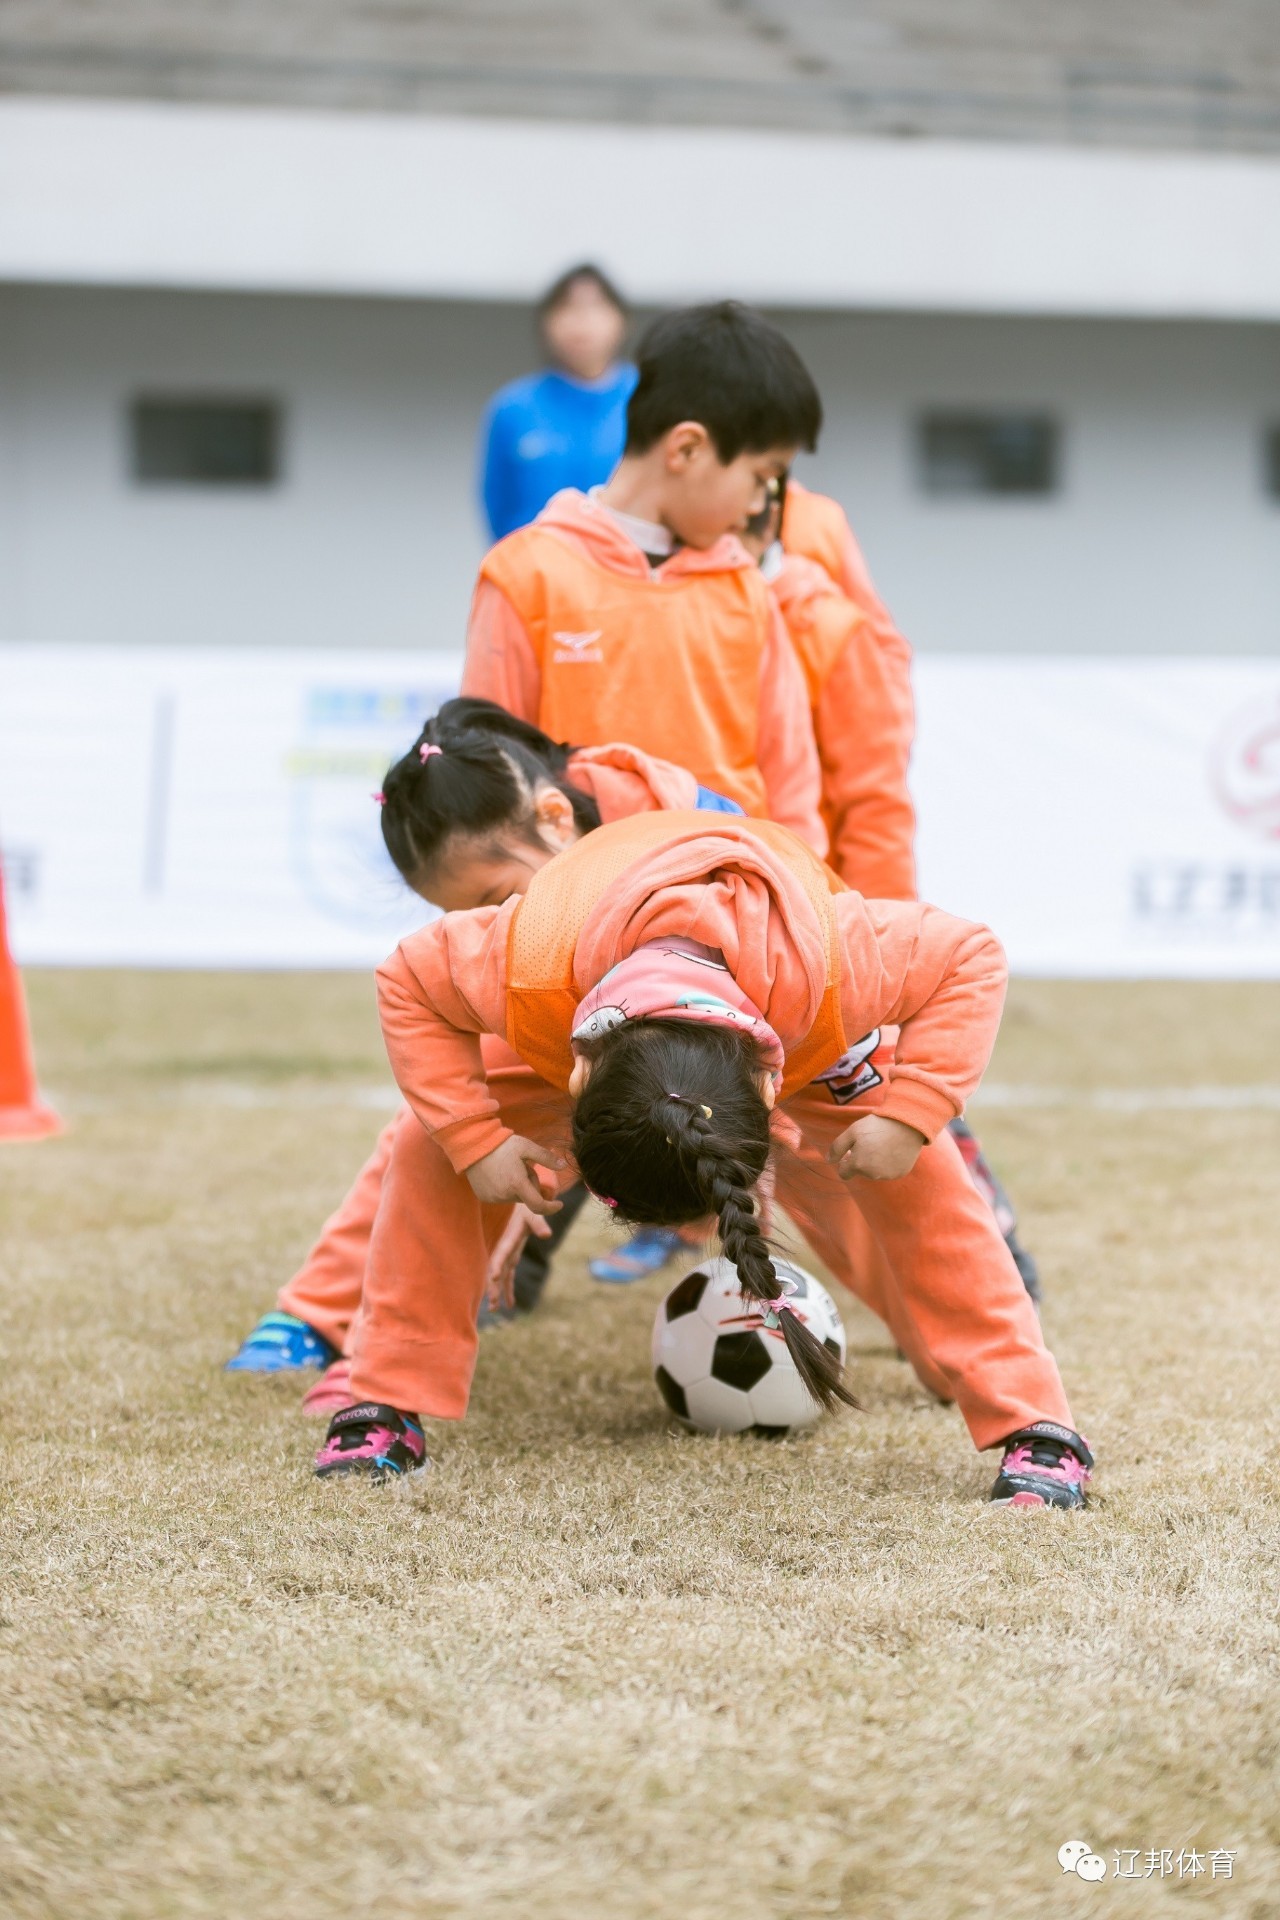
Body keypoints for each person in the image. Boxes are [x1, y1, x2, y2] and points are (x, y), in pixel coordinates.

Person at [316, 810, 1093, 1511]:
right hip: (583, 990)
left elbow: (970, 956)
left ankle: (1035, 1423)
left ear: (770, 1086)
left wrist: (915, 1112)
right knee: (431, 1146)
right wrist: (475, 1139)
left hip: (800, 1009)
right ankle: (384, 1402)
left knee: (924, 1181)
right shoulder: (524, 971)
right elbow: (409, 977)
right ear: (572, 1076)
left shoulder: (839, 967)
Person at [225, 700, 743, 1390]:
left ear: (558, 820)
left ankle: (935, 1346)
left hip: (716, 1031)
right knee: (430, 1131)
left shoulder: (695, 830)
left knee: (851, 1122)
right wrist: (474, 1139)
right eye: (461, 918)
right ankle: (319, 1318)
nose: (483, 930)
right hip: (559, 1015)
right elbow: (415, 992)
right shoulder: (513, 912)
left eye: (497, 899)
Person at [462, 299, 826, 848]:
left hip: (737, 917)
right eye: (760, 477)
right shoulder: (526, 575)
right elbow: (489, 796)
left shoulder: (746, 589)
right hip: (579, 921)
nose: (758, 506)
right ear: (687, 448)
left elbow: (793, 799)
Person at [478, 264, 636, 543]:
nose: (581, 321)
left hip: (625, 575)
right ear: (546, 322)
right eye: (567, 307)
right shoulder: (514, 408)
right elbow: (498, 509)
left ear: (620, 320)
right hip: (534, 576)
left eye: (594, 306)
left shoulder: (649, 401)